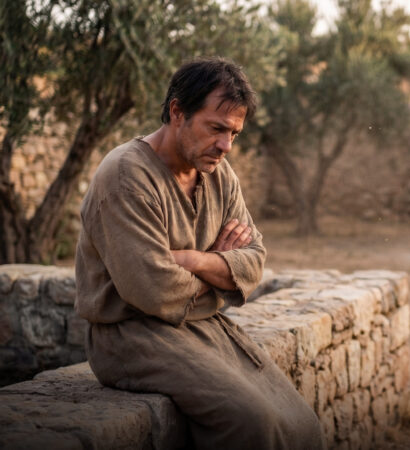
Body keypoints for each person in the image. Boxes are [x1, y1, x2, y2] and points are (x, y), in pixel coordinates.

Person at [75, 57, 326, 449]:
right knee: (252, 423)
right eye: (217, 128)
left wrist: (194, 260)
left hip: (204, 327)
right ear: (178, 112)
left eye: (234, 133)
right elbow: (153, 290)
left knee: (303, 424)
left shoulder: (218, 173)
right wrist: (222, 272)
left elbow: (254, 260)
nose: (226, 146)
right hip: (131, 335)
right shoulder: (126, 175)